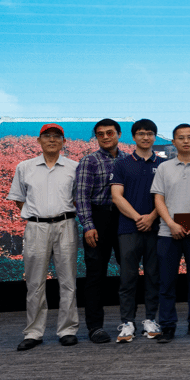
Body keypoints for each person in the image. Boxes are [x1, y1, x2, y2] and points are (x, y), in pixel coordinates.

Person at [8, 124, 79, 351]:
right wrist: (37, 215)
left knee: (68, 281)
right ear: (39, 141)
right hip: (36, 226)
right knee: (35, 282)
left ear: (64, 142)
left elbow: (78, 199)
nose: (52, 140)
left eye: (57, 136)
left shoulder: (74, 167)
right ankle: (34, 332)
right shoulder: (25, 167)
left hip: (66, 224)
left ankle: (67, 330)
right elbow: (19, 198)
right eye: (47, 136)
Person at [151, 123, 190, 343]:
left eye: (189, 137)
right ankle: (167, 326)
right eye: (181, 137)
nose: (185, 141)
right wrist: (170, 224)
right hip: (169, 232)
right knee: (167, 282)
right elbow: (159, 198)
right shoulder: (164, 168)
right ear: (174, 141)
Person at [110, 119, 164, 343]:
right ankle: (127, 322)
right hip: (128, 228)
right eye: (141, 133)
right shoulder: (122, 164)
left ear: (154, 137)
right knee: (128, 277)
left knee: (153, 276)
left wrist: (151, 217)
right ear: (133, 137)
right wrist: (138, 218)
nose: (145, 137)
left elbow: (167, 197)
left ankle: (151, 319)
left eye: (150, 133)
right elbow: (116, 196)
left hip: (156, 228)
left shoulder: (163, 165)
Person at [74, 118, 126, 344]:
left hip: (124, 218)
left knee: (129, 272)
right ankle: (95, 327)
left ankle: (129, 322)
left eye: (110, 132)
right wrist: (88, 225)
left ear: (119, 134)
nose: (105, 137)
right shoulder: (90, 161)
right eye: (100, 134)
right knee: (95, 275)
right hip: (98, 218)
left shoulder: (128, 159)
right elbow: (81, 196)